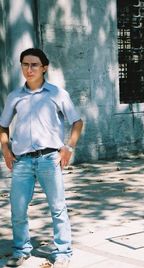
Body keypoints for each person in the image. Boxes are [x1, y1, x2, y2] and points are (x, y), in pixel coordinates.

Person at [0, 48, 83, 268]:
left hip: (49, 159)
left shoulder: (57, 94)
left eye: (34, 65)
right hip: (22, 161)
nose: (29, 69)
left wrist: (68, 147)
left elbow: (77, 121)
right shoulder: (15, 96)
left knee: (57, 207)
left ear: (44, 67)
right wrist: (6, 151)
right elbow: (3, 125)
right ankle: (21, 250)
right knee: (17, 208)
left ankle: (63, 251)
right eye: (25, 64)